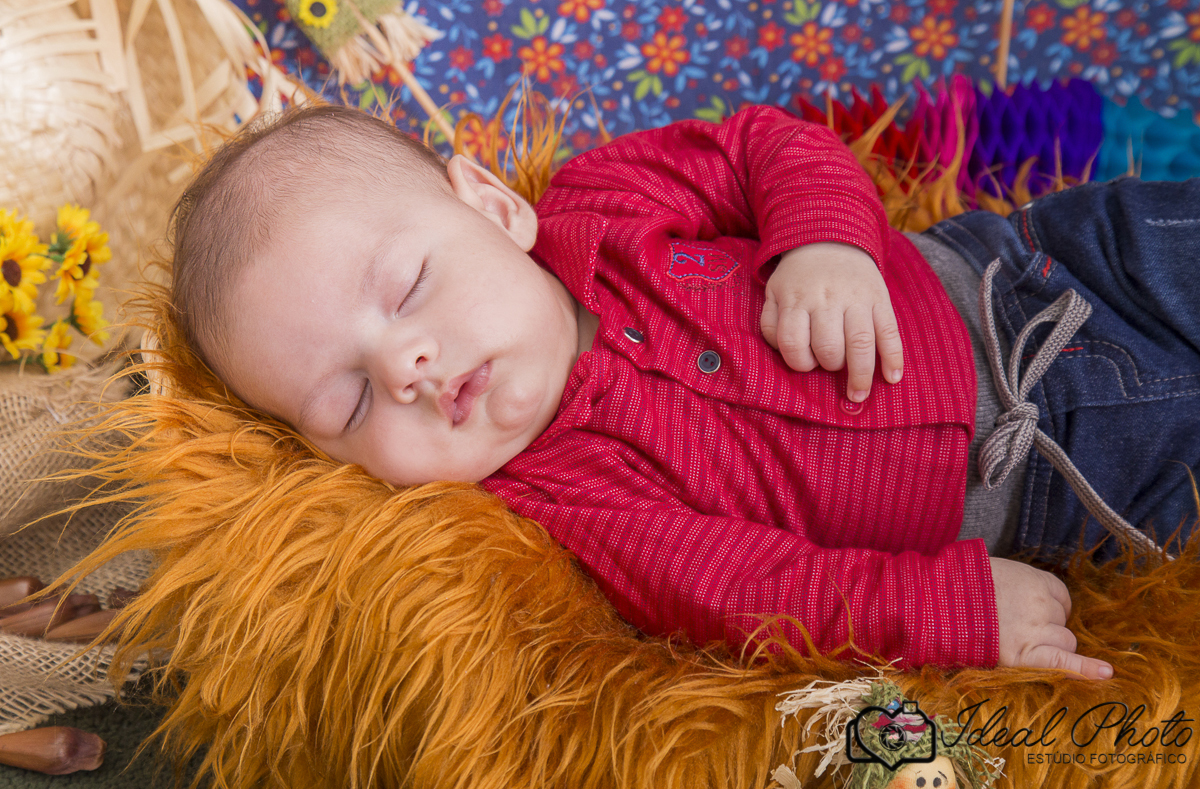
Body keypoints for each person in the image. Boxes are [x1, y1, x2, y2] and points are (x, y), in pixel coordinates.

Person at [166, 101, 1200, 681]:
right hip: (1072, 489)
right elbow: (759, 591)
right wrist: (944, 609)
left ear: (490, 205)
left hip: (1042, 274)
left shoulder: (603, 203)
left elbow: (767, 146)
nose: (405, 369)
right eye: (348, 403)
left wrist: (824, 242)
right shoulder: (570, 509)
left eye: (408, 287)